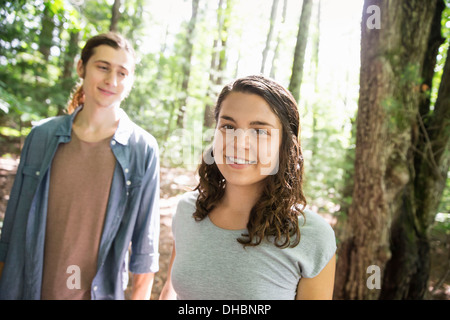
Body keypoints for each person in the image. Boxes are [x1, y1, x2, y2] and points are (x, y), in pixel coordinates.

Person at [0, 32, 160, 300]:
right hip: (28, 289)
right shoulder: (41, 137)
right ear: (81, 67)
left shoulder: (142, 149)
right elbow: (11, 230)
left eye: (123, 73)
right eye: (103, 67)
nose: (112, 80)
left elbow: (145, 250)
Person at [159, 75, 336, 300]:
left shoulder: (312, 236)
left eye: (259, 131)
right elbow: (170, 292)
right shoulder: (187, 210)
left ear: (284, 146)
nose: (239, 143)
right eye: (228, 126)